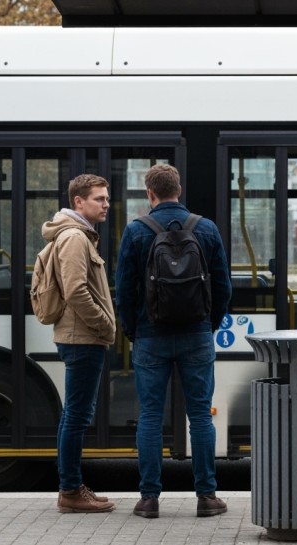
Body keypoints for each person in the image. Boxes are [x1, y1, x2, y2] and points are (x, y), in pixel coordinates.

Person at [115, 163, 232, 519]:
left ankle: (149, 499)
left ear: (150, 193)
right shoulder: (206, 229)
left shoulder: (137, 230)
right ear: (178, 190)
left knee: (150, 415)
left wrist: (134, 331)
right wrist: (207, 325)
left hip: (151, 336)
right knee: (200, 415)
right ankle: (207, 497)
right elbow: (223, 287)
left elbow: (123, 290)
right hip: (196, 335)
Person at [47, 174, 117, 514]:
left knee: (73, 415)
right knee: (76, 416)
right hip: (83, 337)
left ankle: (71, 487)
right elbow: (76, 290)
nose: (106, 204)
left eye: (106, 198)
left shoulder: (77, 234)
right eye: (99, 199)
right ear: (79, 202)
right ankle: (71, 491)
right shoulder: (75, 237)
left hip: (80, 337)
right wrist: (104, 324)